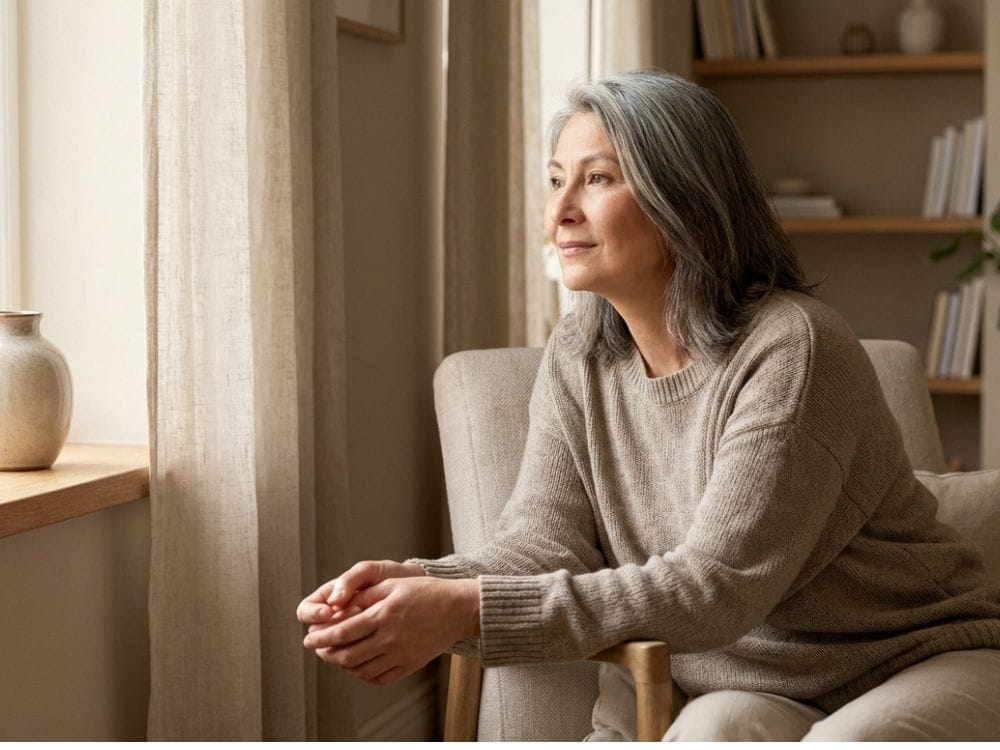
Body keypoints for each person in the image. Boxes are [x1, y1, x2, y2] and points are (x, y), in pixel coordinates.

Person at [297, 71, 1000, 741]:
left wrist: (465, 608)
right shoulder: (579, 353)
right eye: (555, 180)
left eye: (597, 178)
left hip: (916, 658)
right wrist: (419, 582)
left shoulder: (794, 349)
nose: (560, 210)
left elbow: (715, 586)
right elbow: (546, 543)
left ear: (686, 199)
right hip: (750, 681)